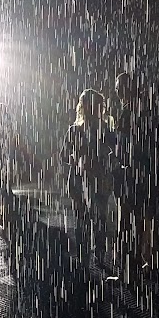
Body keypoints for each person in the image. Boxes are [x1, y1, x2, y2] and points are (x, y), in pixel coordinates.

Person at [60, 88, 116, 264]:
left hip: (88, 179)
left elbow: (64, 156)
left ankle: (88, 256)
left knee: (87, 219)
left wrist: (78, 159)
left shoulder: (94, 129)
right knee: (93, 219)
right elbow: (64, 155)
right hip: (88, 179)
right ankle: (94, 255)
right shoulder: (96, 129)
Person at [114, 71, 159, 272]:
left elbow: (123, 145)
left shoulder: (128, 112)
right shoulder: (149, 109)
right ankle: (148, 261)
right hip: (148, 171)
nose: (117, 92)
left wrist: (121, 162)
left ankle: (129, 267)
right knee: (146, 218)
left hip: (133, 173)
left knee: (128, 220)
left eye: (118, 88)